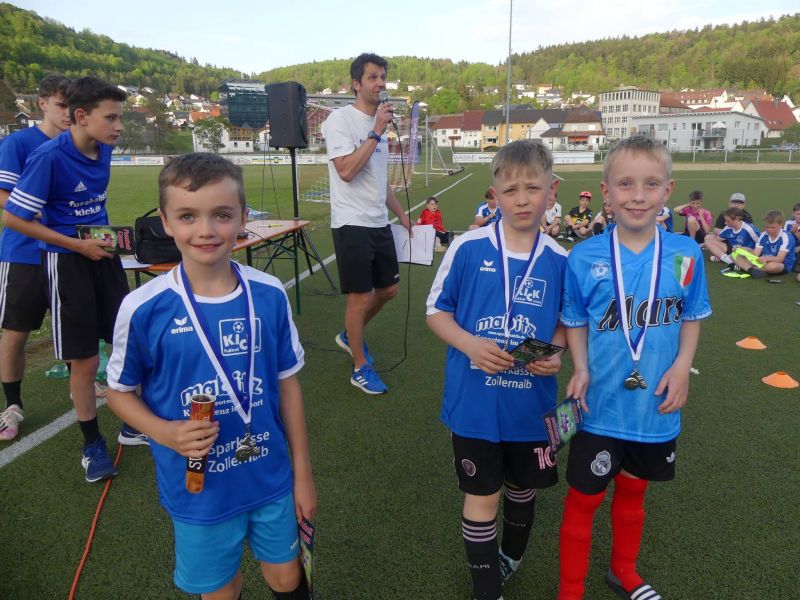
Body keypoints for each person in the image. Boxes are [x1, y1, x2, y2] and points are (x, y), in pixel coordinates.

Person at [106, 153, 316, 599]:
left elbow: (288, 386)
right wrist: (164, 432)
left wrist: (303, 474)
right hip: (199, 491)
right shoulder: (143, 307)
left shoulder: (269, 293)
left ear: (243, 217)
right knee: (220, 590)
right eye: (188, 216)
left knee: (287, 578)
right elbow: (119, 392)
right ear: (166, 222)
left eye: (222, 214)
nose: (206, 230)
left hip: (270, 477)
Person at [558, 137, 711, 600]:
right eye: (625, 184)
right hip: (598, 406)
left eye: (650, 184)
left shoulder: (685, 254)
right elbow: (575, 320)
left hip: (654, 405)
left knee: (633, 493)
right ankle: (570, 591)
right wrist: (580, 367)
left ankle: (623, 570)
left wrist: (683, 365)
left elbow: (691, 315)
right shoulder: (584, 256)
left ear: (668, 190)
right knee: (583, 500)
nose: (638, 196)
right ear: (606, 191)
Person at [427, 140, 567, 600]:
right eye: (510, 190)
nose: (522, 199)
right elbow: (436, 311)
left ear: (551, 189)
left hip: (530, 407)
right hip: (475, 406)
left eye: (533, 188)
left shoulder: (561, 260)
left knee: (523, 489)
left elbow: (568, 324)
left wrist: (556, 352)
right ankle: (486, 585)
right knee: (483, 495)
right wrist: (469, 343)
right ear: (495, 194)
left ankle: (511, 556)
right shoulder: (467, 247)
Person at [1, 77, 143, 482]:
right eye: (111, 118)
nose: (119, 127)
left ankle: (133, 423)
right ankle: (92, 444)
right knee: (84, 359)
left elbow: (91, 205)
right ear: (81, 116)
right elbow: (13, 218)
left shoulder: (105, 149)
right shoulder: (47, 157)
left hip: (102, 254)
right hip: (66, 262)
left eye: (120, 117)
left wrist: (105, 239)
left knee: (125, 340)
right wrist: (76, 245)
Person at [324, 52, 413, 395]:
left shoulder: (380, 127)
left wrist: (401, 214)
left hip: (378, 221)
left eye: (383, 77)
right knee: (359, 298)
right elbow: (346, 171)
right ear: (356, 84)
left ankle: (351, 334)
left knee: (389, 290)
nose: (380, 83)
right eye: (373, 77)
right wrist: (375, 132)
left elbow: (379, 180)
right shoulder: (340, 120)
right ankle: (360, 367)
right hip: (351, 222)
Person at [0, 75, 71, 441]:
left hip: (66, 253)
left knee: (74, 327)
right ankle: (12, 406)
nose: (69, 113)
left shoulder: (77, 145)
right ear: (42, 104)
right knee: (16, 332)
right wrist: (45, 211)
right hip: (24, 254)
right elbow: (3, 197)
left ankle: (82, 386)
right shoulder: (19, 143)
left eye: (75, 107)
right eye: (62, 105)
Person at [729, 210, 796, 278]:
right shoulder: (764, 235)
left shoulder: (786, 237)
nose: (769, 230)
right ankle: (750, 270)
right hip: (762, 261)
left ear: (781, 225)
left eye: (772, 227)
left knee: (773, 266)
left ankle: (743, 267)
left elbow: (780, 258)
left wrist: (766, 258)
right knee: (734, 254)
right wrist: (740, 250)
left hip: (780, 264)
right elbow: (755, 254)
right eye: (767, 227)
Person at [784, 202, 800, 273]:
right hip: (792, 248)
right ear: (793, 214)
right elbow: (783, 238)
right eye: (798, 214)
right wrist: (791, 233)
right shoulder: (788, 223)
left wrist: (796, 232)